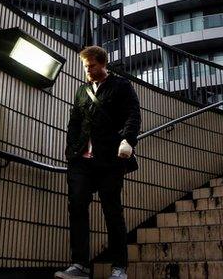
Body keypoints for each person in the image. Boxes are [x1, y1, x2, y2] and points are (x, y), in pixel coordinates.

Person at [55, 46, 141, 279]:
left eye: (91, 65)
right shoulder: (81, 91)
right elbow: (74, 122)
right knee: (77, 207)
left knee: (112, 210)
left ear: (103, 64)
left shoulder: (121, 86)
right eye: (85, 66)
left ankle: (119, 267)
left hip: (110, 159)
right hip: (81, 160)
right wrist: (71, 150)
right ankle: (79, 264)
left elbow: (133, 114)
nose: (87, 70)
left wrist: (128, 141)